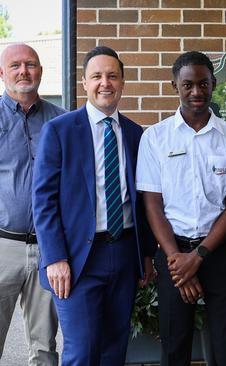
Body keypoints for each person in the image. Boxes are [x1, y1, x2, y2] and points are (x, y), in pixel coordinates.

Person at [32, 46, 155, 365]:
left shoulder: (134, 133)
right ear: (84, 82)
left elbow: (142, 200)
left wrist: (146, 255)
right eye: (97, 76)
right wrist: (55, 257)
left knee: (115, 349)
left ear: (123, 82)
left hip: (124, 252)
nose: (105, 83)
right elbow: (43, 201)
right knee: (82, 351)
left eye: (112, 76)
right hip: (76, 259)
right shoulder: (59, 130)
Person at [136, 51, 226, 366]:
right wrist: (178, 262)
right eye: (188, 85)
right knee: (174, 341)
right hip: (173, 253)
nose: (196, 92)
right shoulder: (154, 138)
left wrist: (198, 258)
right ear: (175, 86)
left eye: (203, 84)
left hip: (219, 252)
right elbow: (152, 205)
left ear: (213, 85)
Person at [0, 43, 65, 366]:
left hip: (47, 248)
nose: (24, 71)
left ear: (41, 70)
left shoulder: (61, 122)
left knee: (44, 347)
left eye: (31, 64)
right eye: (15, 66)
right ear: (2, 74)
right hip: (3, 245)